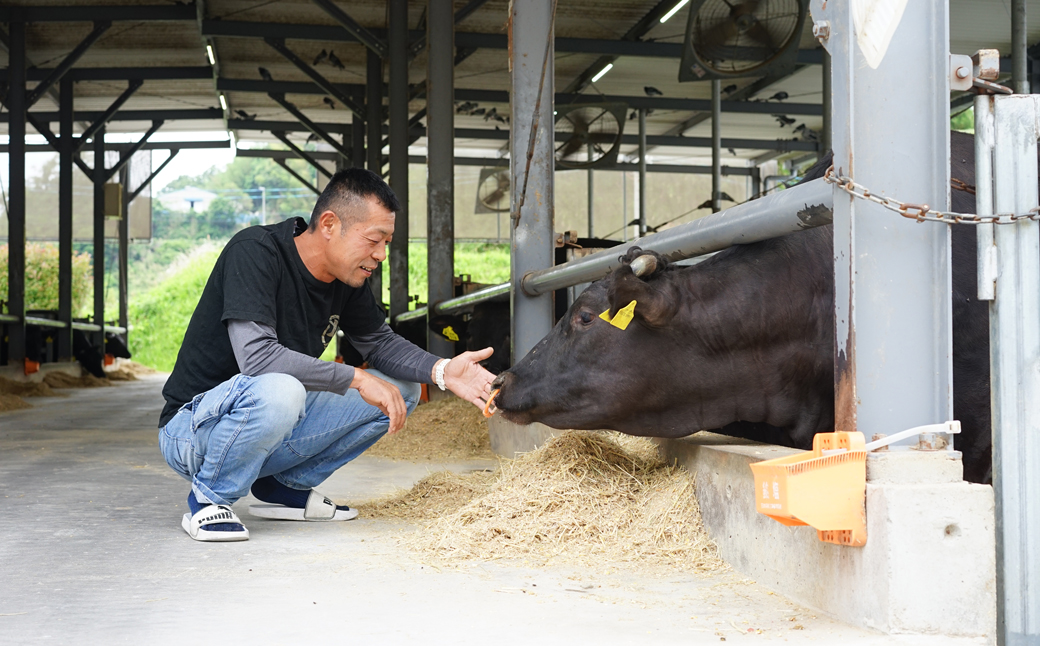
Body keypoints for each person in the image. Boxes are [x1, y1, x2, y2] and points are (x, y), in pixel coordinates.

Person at [157, 168, 497, 542]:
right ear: (330, 224)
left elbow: (379, 342)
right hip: (194, 430)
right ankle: (210, 497)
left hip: (269, 423)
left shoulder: (346, 277)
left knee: (401, 390)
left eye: (387, 242)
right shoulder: (255, 251)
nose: (381, 254)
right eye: (374, 240)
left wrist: (442, 370)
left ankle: (281, 489)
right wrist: (356, 377)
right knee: (281, 390)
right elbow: (257, 358)